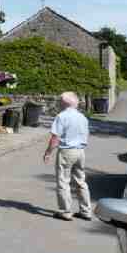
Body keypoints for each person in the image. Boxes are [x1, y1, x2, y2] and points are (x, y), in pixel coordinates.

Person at [43, 92, 92, 221]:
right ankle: (86, 211)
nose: (58, 103)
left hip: (66, 151)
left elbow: (55, 138)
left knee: (63, 181)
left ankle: (65, 211)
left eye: (60, 101)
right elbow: (86, 135)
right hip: (80, 151)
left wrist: (48, 152)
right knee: (81, 181)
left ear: (64, 103)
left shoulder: (61, 116)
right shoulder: (83, 117)